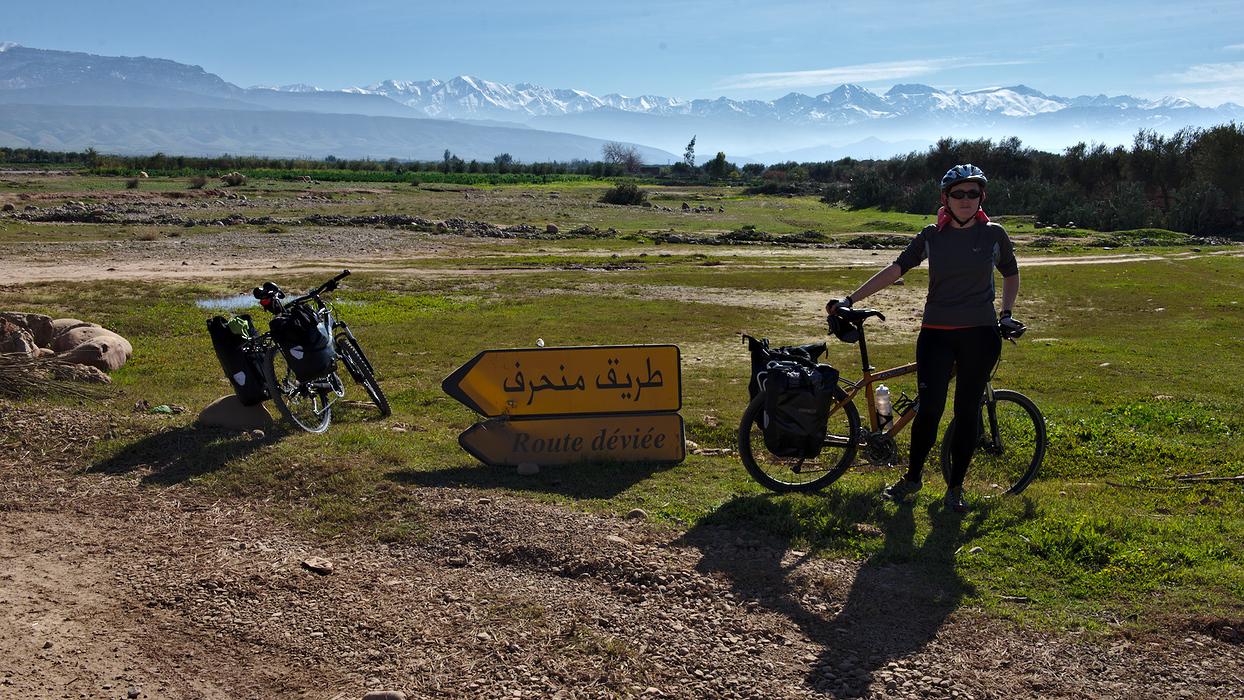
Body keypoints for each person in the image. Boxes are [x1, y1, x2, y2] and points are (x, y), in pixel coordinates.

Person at [827, 164, 1023, 513]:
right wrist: (850, 300)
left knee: (966, 413)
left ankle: (955, 489)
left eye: (973, 193)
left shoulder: (994, 235)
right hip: (936, 334)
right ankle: (912, 479)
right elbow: (896, 268)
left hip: (980, 335)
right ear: (946, 199)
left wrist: (1006, 315)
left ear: (981, 198)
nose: (966, 199)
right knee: (929, 410)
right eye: (958, 193)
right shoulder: (932, 235)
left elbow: (1010, 273)